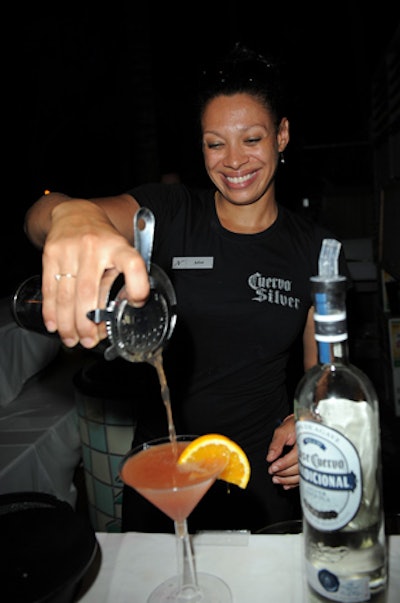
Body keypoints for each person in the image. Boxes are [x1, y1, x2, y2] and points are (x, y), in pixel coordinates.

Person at [23, 43, 349, 533]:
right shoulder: (171, 214)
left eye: (252, 138)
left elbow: (323, 372)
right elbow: (39, 218)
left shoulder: (316, 249)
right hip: (163, 468)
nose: (233, 160)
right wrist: (71, 216)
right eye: (215, 143)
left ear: (282, 136)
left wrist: (311, 421)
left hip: (262, 473)